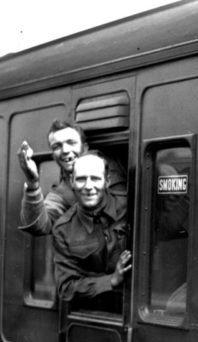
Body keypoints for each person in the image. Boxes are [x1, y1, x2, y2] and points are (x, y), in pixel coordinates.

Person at [17, 119, 126, 236]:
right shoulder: (62, 193)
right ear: (53, 155)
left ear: (85, 147)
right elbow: (39, 225)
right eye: (57, 146)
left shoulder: (111, 165)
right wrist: (32, 182)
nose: (65, 150)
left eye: (71, 143)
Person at [52, 151, 131, 307]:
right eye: (81, 179)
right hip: (93, 316)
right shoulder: (63, 229)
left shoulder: (130, 207)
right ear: (72, 182)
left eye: (95, 178)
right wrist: (111, 280)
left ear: (107, 181)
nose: (88, 186)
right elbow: (66, 288)